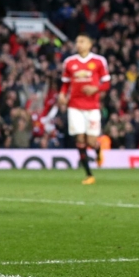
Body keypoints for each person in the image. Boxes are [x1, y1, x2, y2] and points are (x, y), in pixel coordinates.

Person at [59, 35, 110, 184]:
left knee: (91, 141)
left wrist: (96, 88)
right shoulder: (69, 62)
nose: (78, 44)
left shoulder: (99, 61)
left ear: (90, 44)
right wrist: (62, 94)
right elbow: (65, 83)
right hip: (74, 106)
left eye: (82, 41)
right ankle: (89, 174)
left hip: (92, 106)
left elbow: (106, 83)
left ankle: (98, 149)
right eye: (77, 42)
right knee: (80, 138)